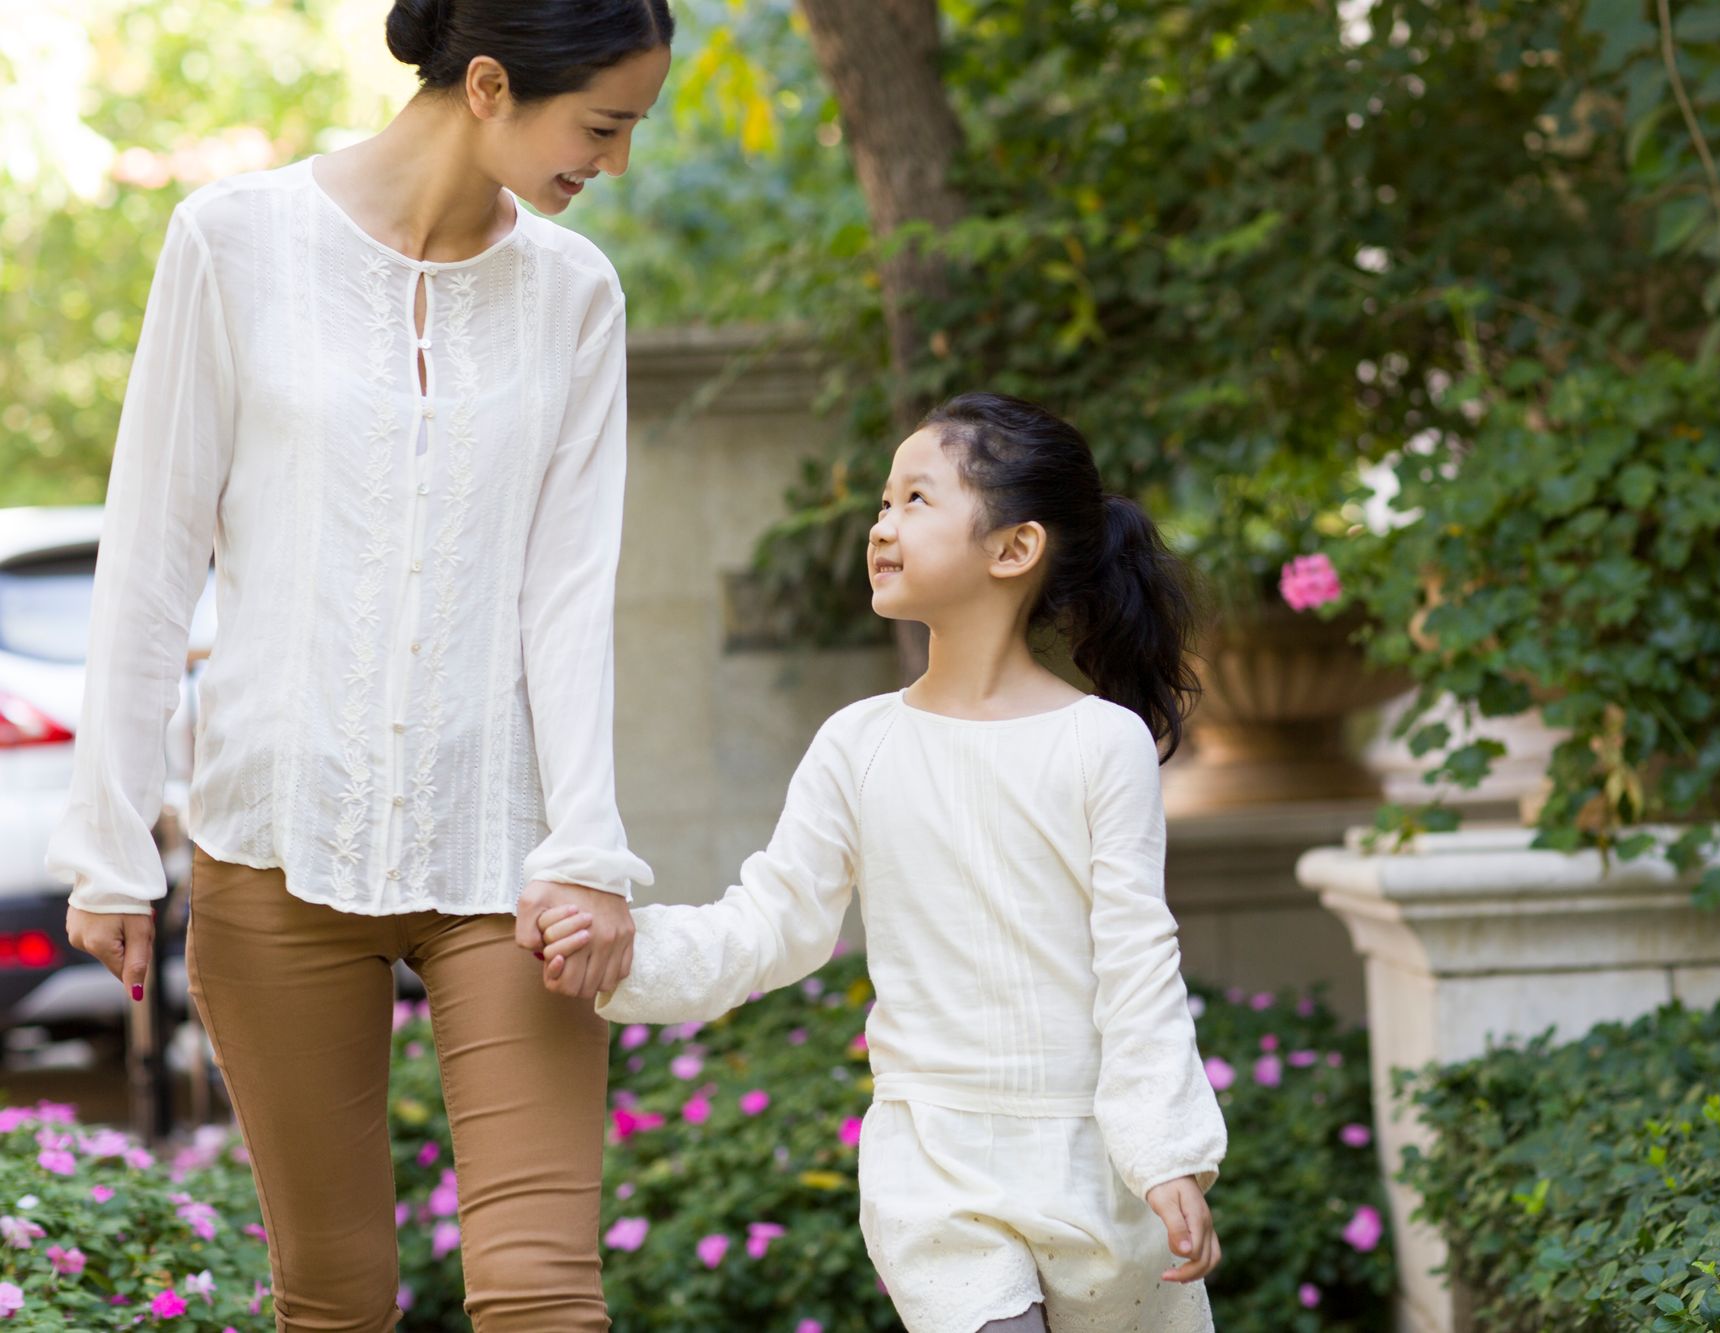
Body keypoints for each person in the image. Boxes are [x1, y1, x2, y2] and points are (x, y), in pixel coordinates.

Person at [48, 3, 675, 1327]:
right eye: (603, 126)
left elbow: (568, 593)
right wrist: (108, 839)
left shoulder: (576, 294)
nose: (613, 163)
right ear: (491, 84)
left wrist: (587, 844)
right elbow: (155, 551)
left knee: (544, 1290)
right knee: (331, 1295)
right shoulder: (236, 241)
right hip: (274, 839)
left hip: (506, 853)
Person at [533, 392, 1227, 1332]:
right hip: (934, 1163)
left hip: (1095, 1167)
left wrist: (1165, 1151)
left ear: (1013, 549)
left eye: (914, 500)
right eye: (882, 503)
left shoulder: (1101, 744)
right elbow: (773, 922)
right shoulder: (858, 742)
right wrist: (624, 955)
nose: (880, 525)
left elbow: (1138, 961)